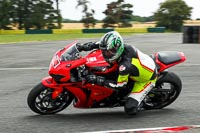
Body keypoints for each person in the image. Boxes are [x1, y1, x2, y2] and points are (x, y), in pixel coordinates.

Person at [77, 31, 157, 115]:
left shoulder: (125, 66)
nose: (105, 54)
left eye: (108, 52)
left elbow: (120, 85)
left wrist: (98, 80)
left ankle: (141, 102)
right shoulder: (117, 47)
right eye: (105, 51)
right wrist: (83, 47)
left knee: (130, 109)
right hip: (140, 66)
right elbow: (98, 45)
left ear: (117, 49)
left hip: (146, 79)